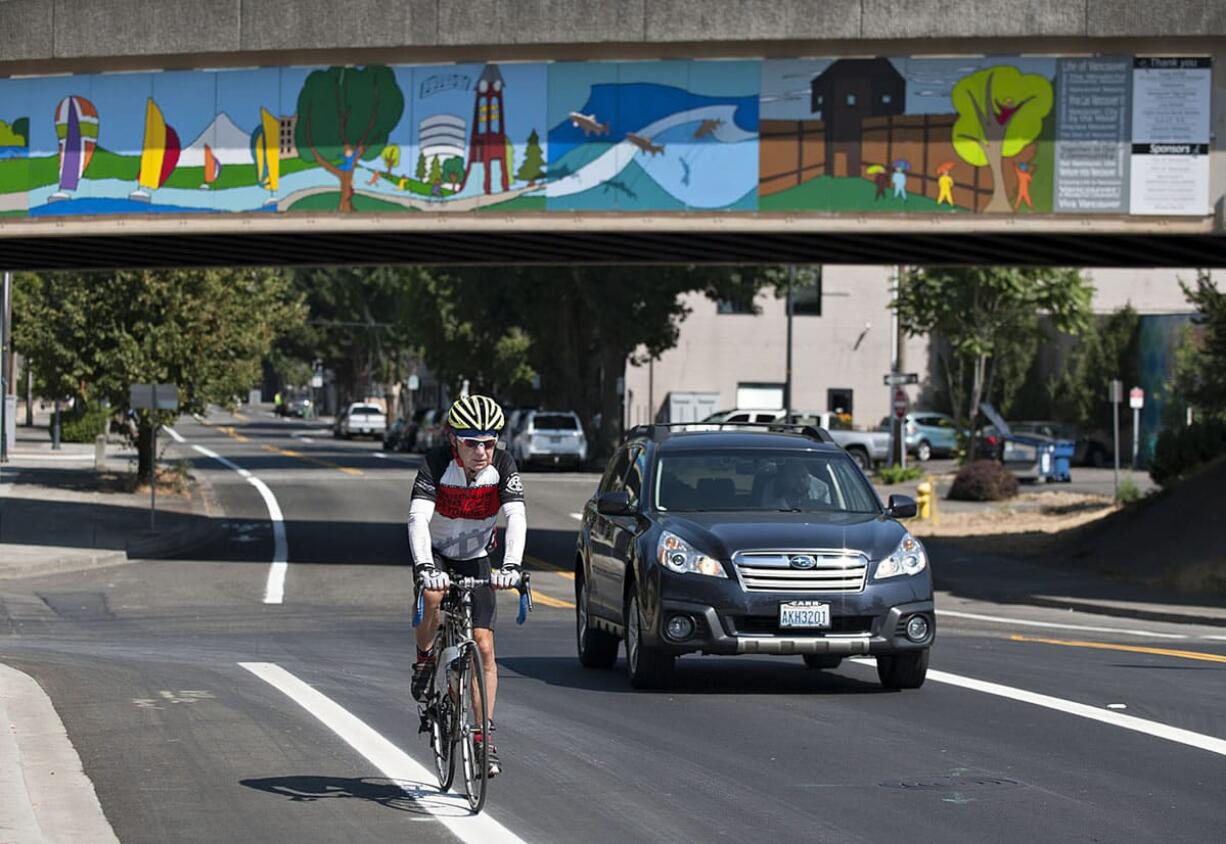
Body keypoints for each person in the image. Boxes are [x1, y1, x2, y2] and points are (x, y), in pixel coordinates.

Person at [408, 394, 525, 777]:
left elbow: (516, 517)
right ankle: (426, 658)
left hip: (476, 555)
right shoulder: (435, 464)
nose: (482, 451)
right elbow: (418, 519)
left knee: (485, 645)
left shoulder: (503, 466)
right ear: (453, 440)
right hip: (438, 555)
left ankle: (483, 736)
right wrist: (426, 566)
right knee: (433, 593)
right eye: (472, 442)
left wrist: (511, 565)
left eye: (489, 442)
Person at [761, 459, 831, 509]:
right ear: (785, 479)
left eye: (804, 476)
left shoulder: (821, 509)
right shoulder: (771, 511)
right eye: (795, 477)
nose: (801, 481)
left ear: (809, 478)